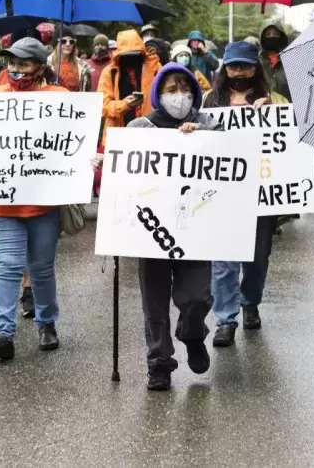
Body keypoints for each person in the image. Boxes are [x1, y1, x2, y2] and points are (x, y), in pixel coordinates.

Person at [126, 62, 222, 391]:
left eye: (184, 88)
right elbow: (123, 167)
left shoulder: (208, 124)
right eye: (171, 89)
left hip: (195, 229)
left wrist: (200, 140)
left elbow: (229, 162)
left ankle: (193, 334)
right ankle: (159, 362)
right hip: (151, 230)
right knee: (154, 302)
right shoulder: (140, 127)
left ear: (194, 93)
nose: (178, 96)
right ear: (158, 94)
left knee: (197, 297)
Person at [0, 38, 68, 361]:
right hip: (1, 203)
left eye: (23, 64)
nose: (15, 70)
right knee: (7, 265)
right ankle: (3, 334)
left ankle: (47, 323)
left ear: (40, 67)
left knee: (41, 268)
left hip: (42, 204)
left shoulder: (59, 99)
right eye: (11, 63)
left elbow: (72, 143)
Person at [202, 42, 288, 348]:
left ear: (256, 69)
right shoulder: (209, 101)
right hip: (222, 194)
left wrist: (273, 114)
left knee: (257, 257)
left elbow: (289, 138)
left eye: (246, 66)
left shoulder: (274, 99)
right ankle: (225, 319)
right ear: (224, 69)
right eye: (234, 66)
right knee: (223, 260)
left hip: (261, 194)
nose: (239, 72)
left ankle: (250, 301)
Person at [97, 30, 162, 143]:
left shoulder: (155, 68)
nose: (131, 59)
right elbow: (102, 105)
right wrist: (124, 104)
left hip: (149, 133)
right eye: (127, 56)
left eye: (135, 55)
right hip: (118, 135)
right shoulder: (110, 72)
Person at [259, 22, 291, 100]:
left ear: (281, 37)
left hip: (288, 108)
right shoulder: (257, 63)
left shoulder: (290, 61)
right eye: (268, 34)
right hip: (263, 108)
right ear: (262, 38)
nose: (272, 36)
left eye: (276, 34)